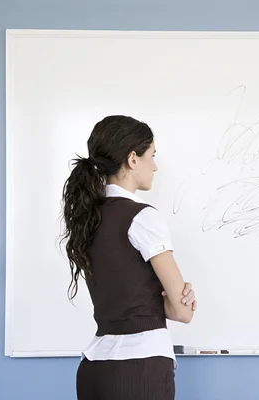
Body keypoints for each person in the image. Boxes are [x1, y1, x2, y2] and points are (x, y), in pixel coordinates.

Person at [60, 115, 196, 400]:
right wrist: (174, 299)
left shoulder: (88, 218)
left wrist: (160, 303)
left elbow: (128, 296)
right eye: (152, 156)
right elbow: (182, 312)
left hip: (95, 368)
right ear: (133, 159)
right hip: (141, 367)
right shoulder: (143, 217)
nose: (155, 165)